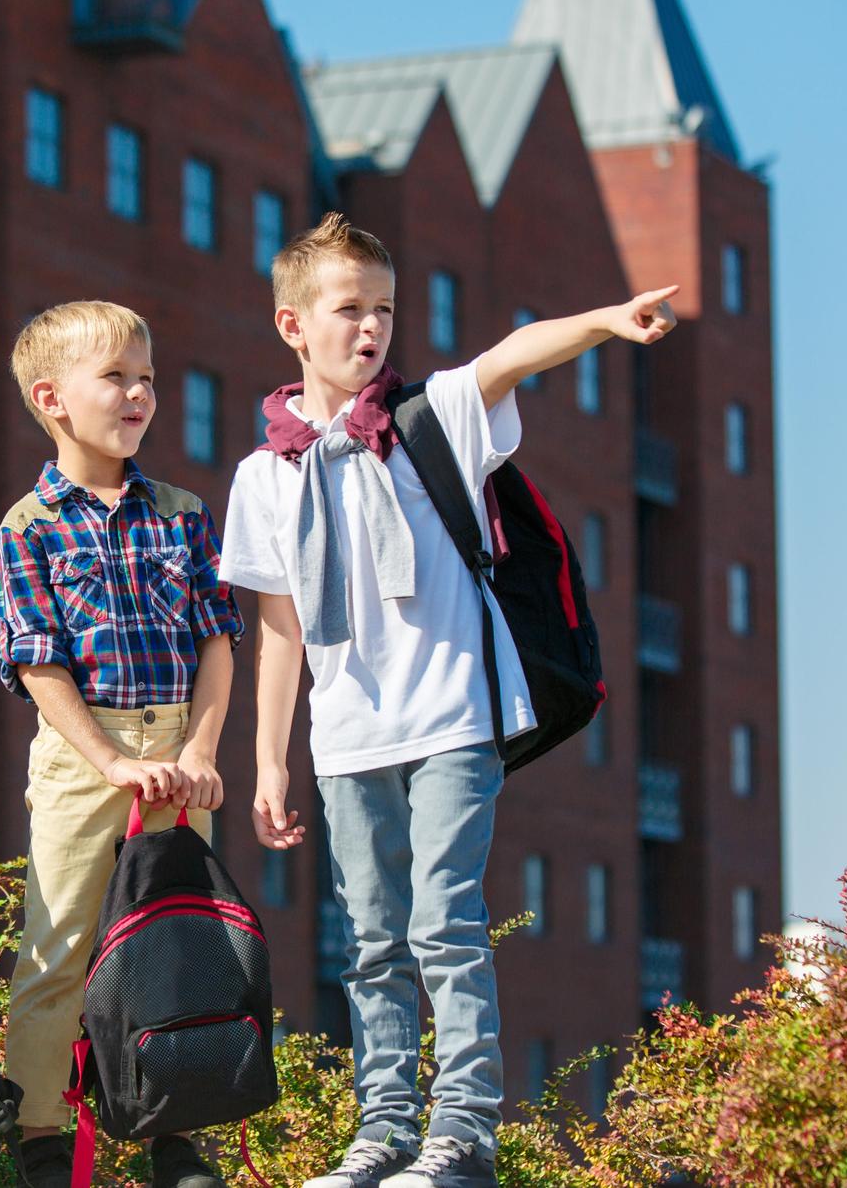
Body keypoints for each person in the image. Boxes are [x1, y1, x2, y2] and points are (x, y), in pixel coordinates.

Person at [222, 214, 677, 1188]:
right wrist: (266, 758)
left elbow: (510, 352)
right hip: (344, 736)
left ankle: (463, 1132)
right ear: (291, 325)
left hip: (450, 720)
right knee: (370, 936)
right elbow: (276, 629)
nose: (369, 329)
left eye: (383, 310)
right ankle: (382, 1128)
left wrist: (603, 320)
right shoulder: (264, 478)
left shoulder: (432, 420)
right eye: (347, 310)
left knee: (444, 921)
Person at [0, 301, 241, 1188]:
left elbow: (217, 639)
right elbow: (37, 663)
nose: (139, 393)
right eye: (117, 377)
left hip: (177, 749)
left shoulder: (181, 514)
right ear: (52, 398)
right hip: (82, 754)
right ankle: (40, 1136)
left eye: (148, 378)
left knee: (174, 938)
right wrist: (110, 760)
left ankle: (178, 1132)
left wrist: (202, 749)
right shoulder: (28, 526)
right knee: (54, 946)